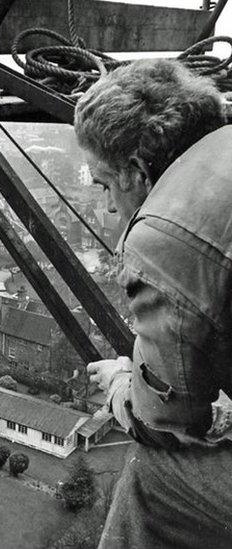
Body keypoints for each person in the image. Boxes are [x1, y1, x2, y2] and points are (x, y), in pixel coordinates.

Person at [76, 59, 232, 547]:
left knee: (152, 479)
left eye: (105, 184)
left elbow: (167, 423)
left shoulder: (162, 234)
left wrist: (124, 385)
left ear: (139, 171)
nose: (106, 207)